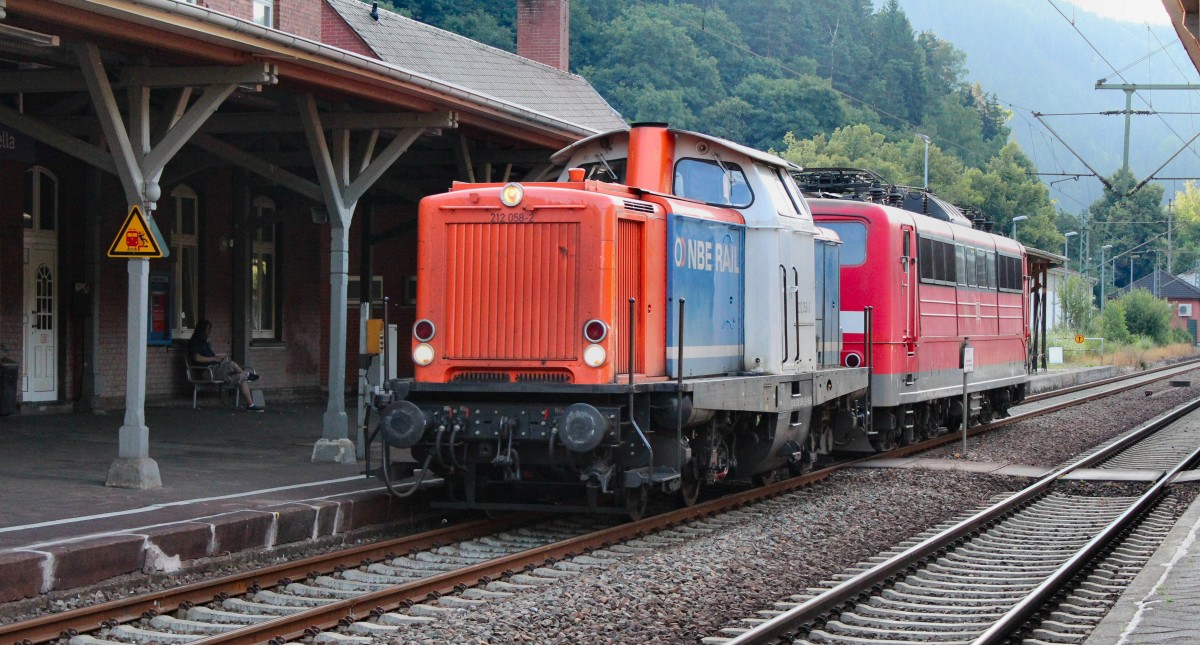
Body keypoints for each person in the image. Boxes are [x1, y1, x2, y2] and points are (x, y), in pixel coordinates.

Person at [188, 319, 263, 411]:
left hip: (216, 371)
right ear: (202, 330)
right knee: (231, 364)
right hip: (207, 371)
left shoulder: (204, 342)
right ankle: (248, 374)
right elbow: (197, 358)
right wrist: (215, 358)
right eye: (208, 330)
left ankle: (250, 405)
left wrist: (219, 358)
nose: (209, 332)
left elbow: (210, 356)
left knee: (241, 377)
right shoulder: (195, 342)